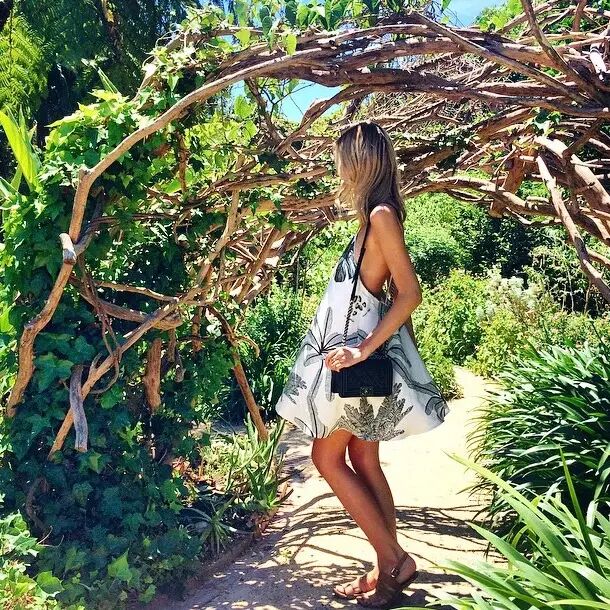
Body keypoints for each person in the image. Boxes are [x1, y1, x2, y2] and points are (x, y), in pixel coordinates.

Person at [274, 121, 449, 608]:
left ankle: (394, 561)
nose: (338, 170)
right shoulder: (372, 218)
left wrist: (364, 349)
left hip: (355, 365)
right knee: (363, 459)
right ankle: (384, 565)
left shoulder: (380, 216)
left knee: (325, 458)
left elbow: (409, 294)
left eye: (341, 161)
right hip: (355, 365)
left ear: (359, 163)